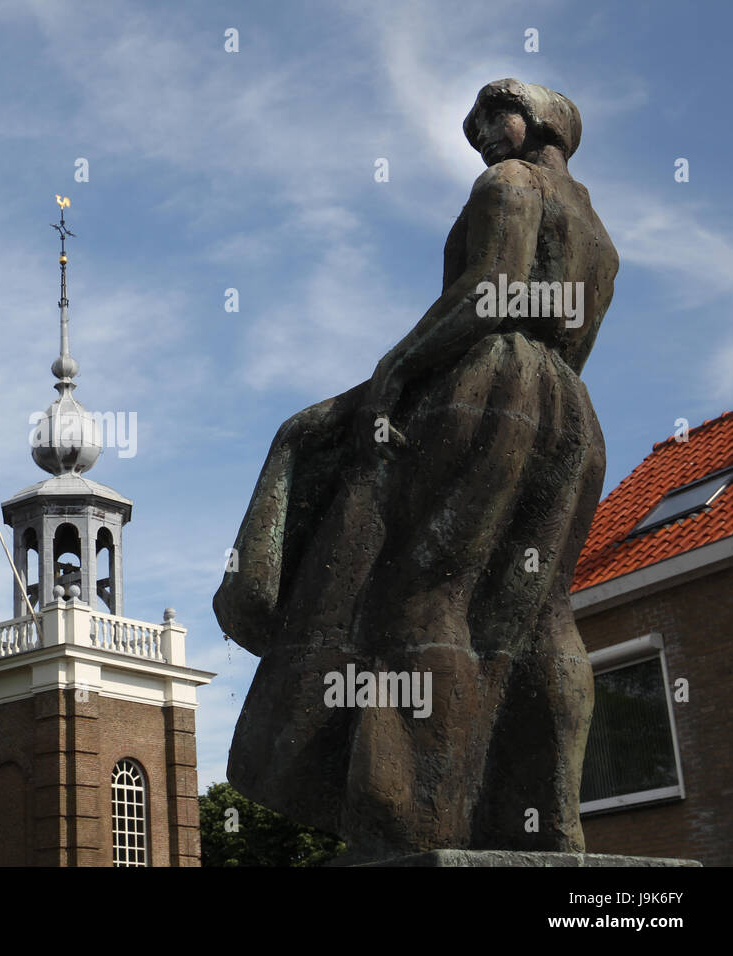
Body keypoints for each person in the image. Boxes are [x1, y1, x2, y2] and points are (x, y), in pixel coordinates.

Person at [215, 79, 619, 860]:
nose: (480, 139)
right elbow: (571, 328)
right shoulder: (598, 231)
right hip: (569, 405)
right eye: (472, 129)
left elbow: (489, 292)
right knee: (539, 613)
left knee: (423, 593)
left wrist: (394, 369)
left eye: (492, 118)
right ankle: (547, 819)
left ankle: (403, 822)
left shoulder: (506, 185)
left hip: (486, 382)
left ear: (538, 121)